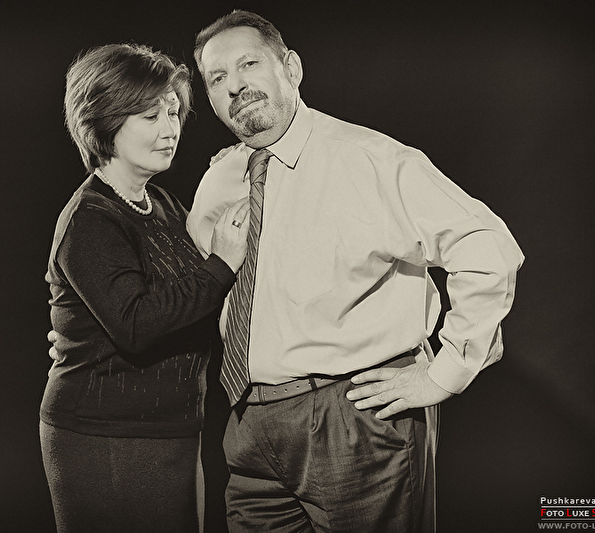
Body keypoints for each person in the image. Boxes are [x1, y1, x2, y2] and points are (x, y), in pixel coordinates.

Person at [186, 10, 525, 532]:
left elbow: (486, 247)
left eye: (248, 64)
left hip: (355, 420)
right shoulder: (221, 179)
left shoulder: (367, 159)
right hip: (249, 425)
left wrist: (448, 370)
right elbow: (200, 283)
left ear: (291, 68)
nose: (234, 85)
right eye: (217, 78)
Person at [39, 43, 251, 533]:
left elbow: (197, 302)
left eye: (173, 113)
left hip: (172, 429)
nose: (170, 129)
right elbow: (138, 324)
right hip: (108, 436)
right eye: (150, 116)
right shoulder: (91, 217)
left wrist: (230, 177)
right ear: (104, 122)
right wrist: (221, 264)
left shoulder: (161, 204)